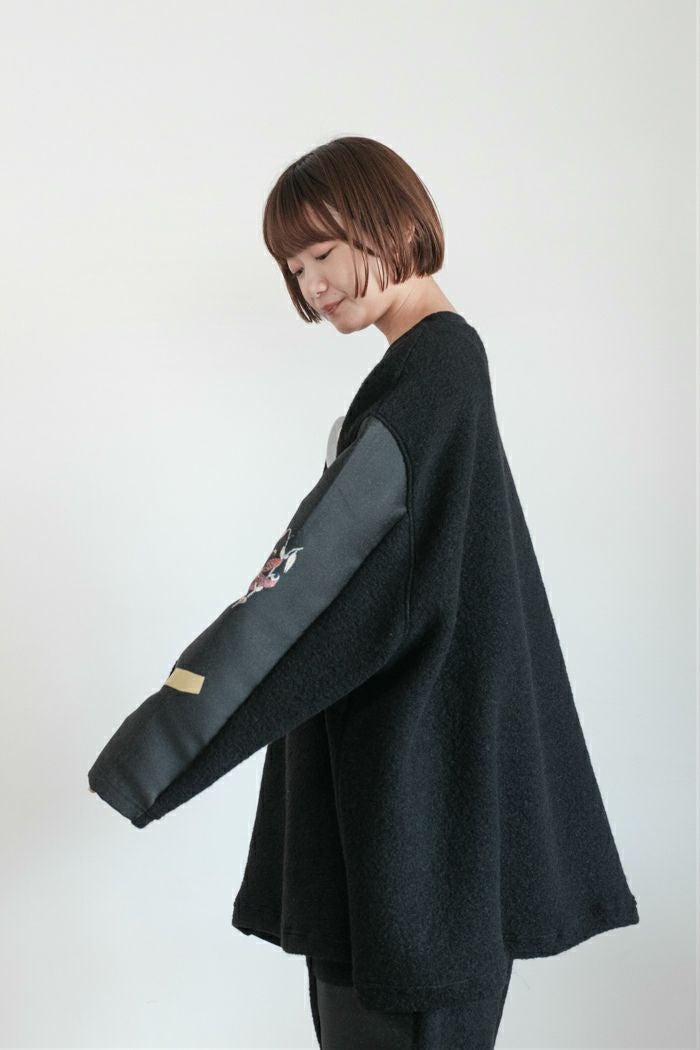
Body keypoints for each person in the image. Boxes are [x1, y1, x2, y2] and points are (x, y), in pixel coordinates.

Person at [89, 136, 639, 1049]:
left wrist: (154, 749)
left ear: (389, 222)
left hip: (413, 837)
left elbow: (304, 584)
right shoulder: (434, 375)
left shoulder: (431, 380)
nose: (311, 285)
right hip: (417, 824)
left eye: (322, 251)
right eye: (292, 268)